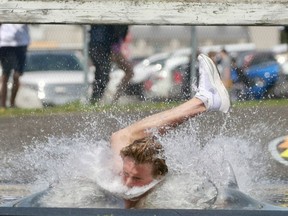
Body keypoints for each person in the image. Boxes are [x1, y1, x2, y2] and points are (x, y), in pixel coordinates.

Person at [109, 53, 231, 208]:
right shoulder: (115, 181)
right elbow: (120, 137)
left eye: (138, 179)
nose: (127, 184)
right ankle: (204, 101)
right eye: (126, 174)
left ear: (158, 179)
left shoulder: (174, 198)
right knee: (122, 136)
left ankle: (205, 101)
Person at [88, 24, 133, 104]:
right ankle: (107, 99)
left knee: (103, 74)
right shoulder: (115, 27)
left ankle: (110, 98)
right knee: (103, 75)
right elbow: (114, 36)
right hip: (110, 49)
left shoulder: (119, 27)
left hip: (109, 47)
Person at [0, 24, 30, 109]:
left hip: (21, 43)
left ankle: (12, 104)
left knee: (16, 76)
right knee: (5, 75)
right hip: (5, 43)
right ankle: (3, 106)